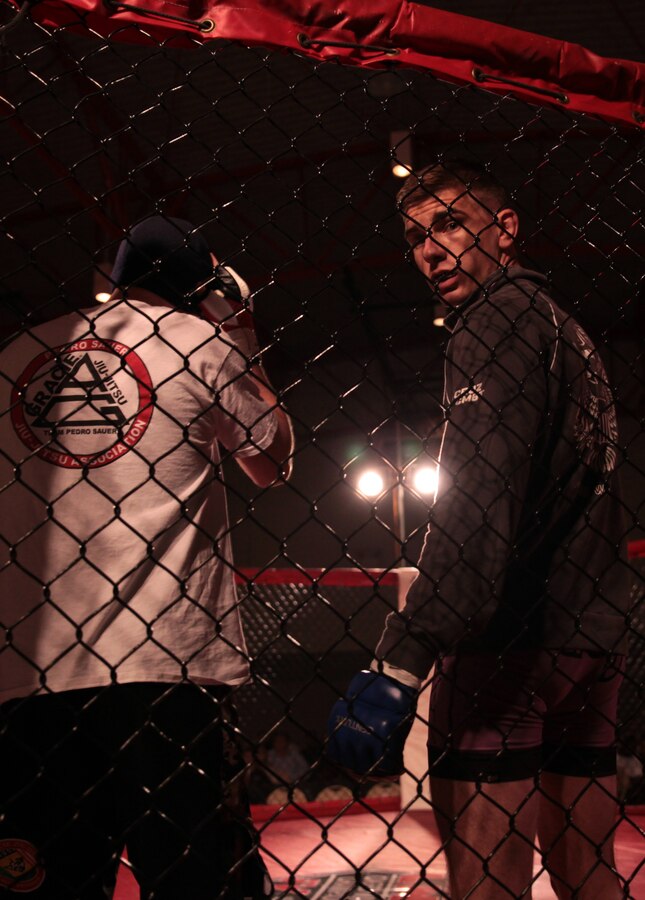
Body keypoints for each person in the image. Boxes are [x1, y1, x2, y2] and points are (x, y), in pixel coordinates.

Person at [327, 159, 630, 899]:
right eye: (413, 237)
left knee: (485, 881)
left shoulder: (493, 321)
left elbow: (476, 503)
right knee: (587, 867)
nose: (429, 250)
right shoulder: (566, 329)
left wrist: (401, 658)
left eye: (449, 224)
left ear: (504, 229)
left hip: (510, 645)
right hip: (592, 639)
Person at [0, 215, 293, 898]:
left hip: (28, 676)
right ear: (205, 289)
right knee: (199, 881)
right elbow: (270, 461)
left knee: (49, 881)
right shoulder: (199, 342)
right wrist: (240, 331)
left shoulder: (17, 355)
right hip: (164, 668)